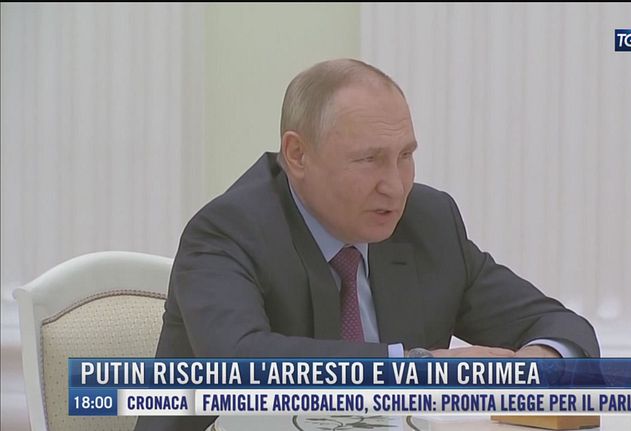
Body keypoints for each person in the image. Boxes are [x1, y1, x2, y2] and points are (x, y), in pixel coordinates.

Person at [135, 58, 598, 431]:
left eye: (405, 156)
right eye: (369, 160)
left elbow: (561, 327)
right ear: (297, 155)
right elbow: (241, 364)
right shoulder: (226, 231)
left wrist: (536, 366)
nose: (395, 187)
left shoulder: (428, 221)